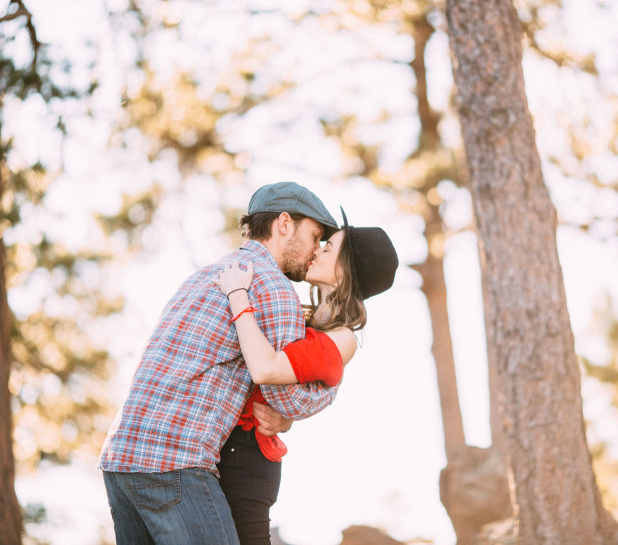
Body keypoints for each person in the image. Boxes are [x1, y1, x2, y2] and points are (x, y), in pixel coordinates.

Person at [99, 182, 343, 545]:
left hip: (121, 458)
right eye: (314, 235)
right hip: (173, 461)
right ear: (285, 224)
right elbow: (285, 397)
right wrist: (332, 387)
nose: (314, 251)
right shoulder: (273, 287)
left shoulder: (208, 273)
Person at [213, 208, 398, 544]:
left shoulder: (342, 339)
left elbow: (267, 369)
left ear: (347, 271)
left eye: (328, 249)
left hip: (249, 457)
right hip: (227, 444)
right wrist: (288, 418)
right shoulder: (297, 314)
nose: (317, 249)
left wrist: (237, 294)